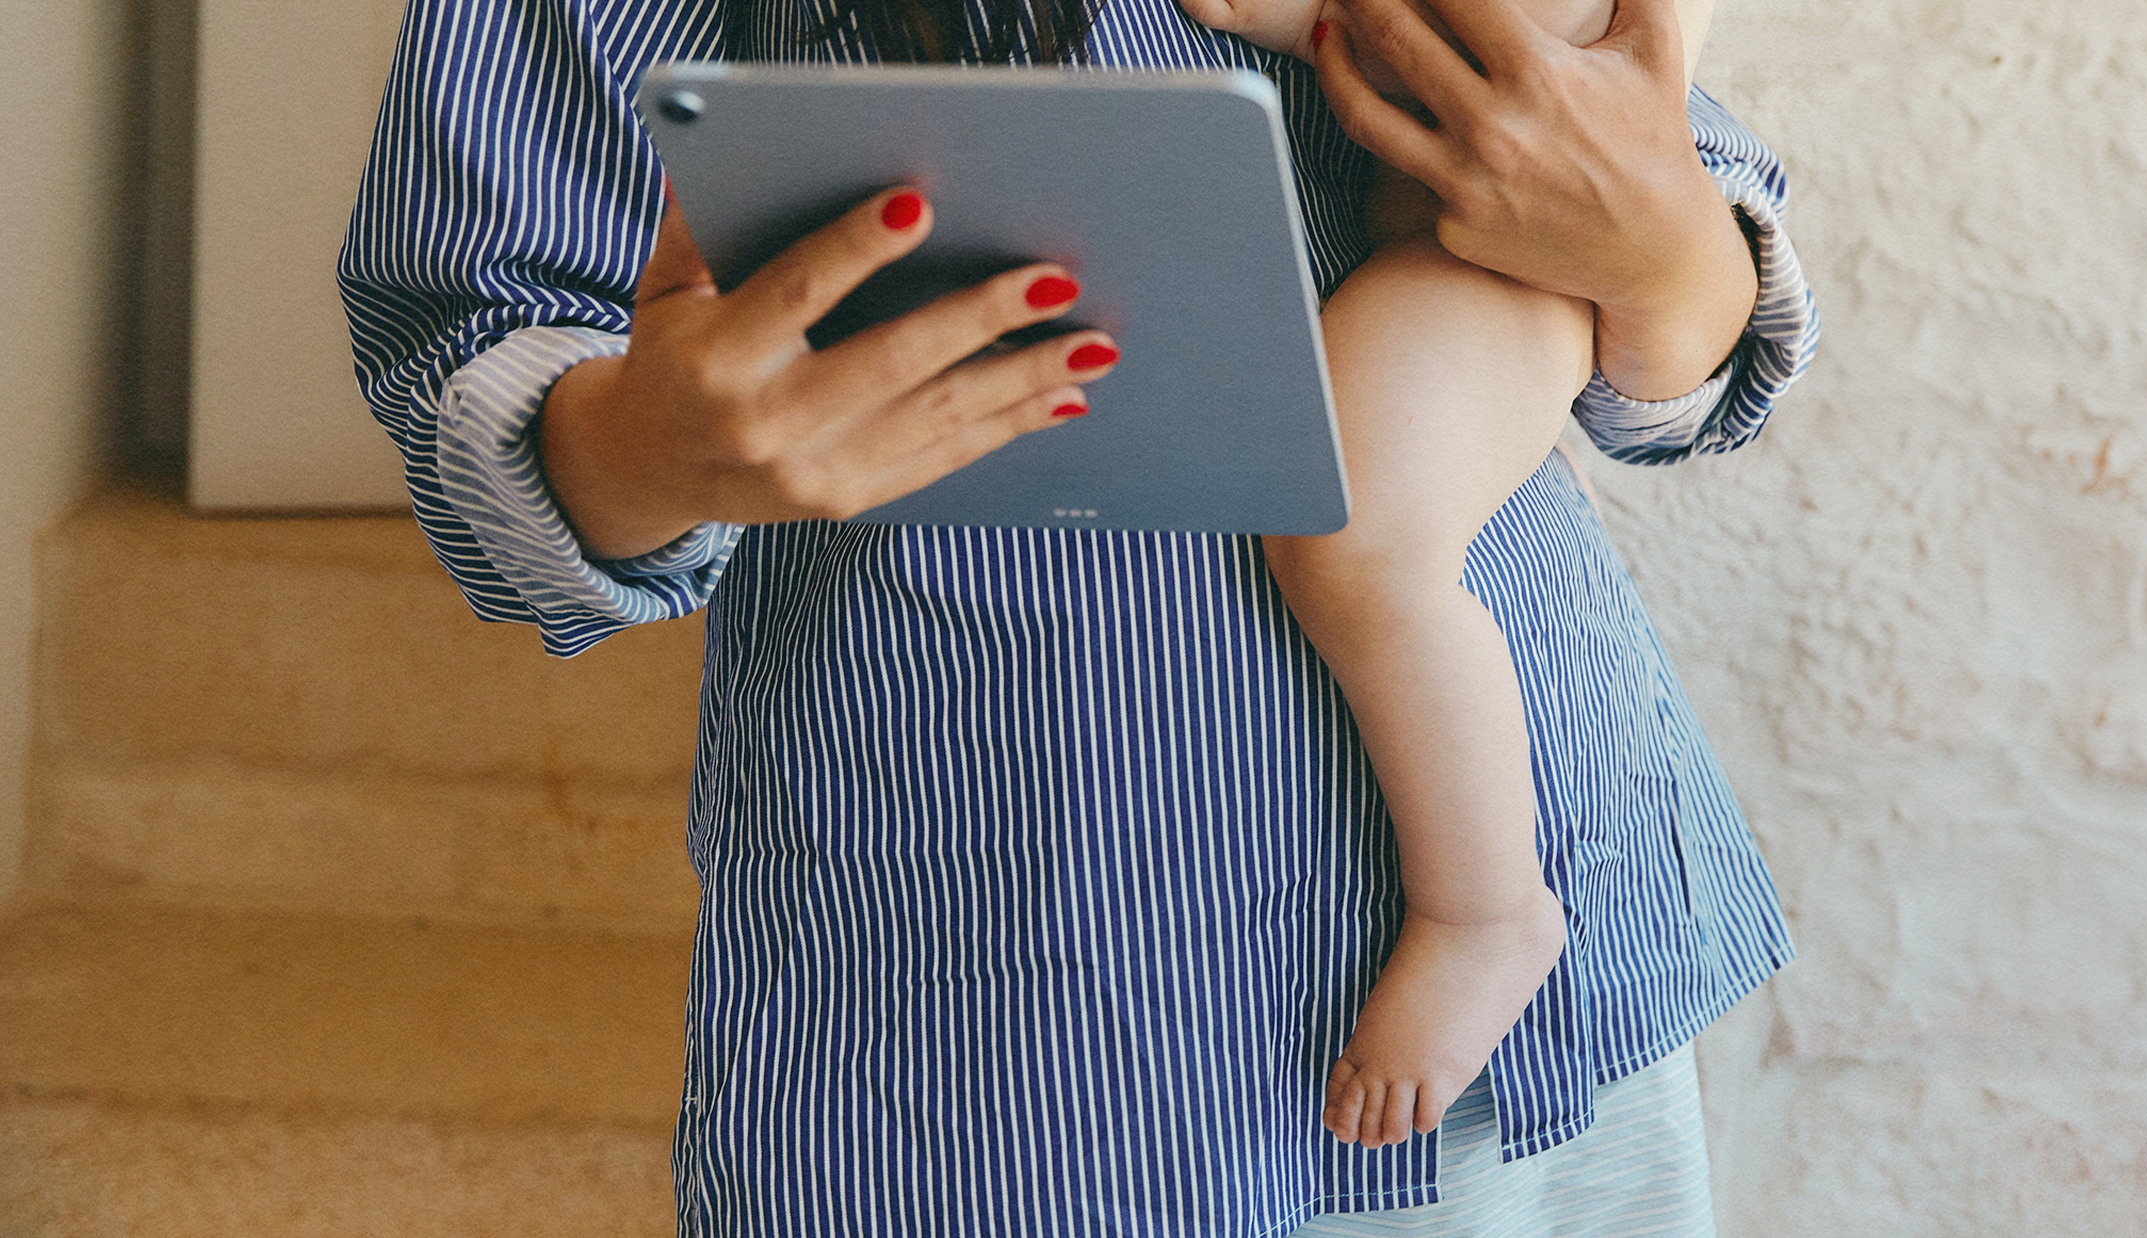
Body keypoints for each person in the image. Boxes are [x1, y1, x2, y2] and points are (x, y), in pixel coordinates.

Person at [339, 0, 1817, 1233]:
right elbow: (475, 366)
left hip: (1539, 987)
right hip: (1003, 1012)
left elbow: (1674, 302)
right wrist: (647, 451)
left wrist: (1668, 261)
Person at [1170, 0, 1727, 1150]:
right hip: (1438, 247)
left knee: (1354, 536)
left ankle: (1483, 907)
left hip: (1490, 263)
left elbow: (1565, 49)